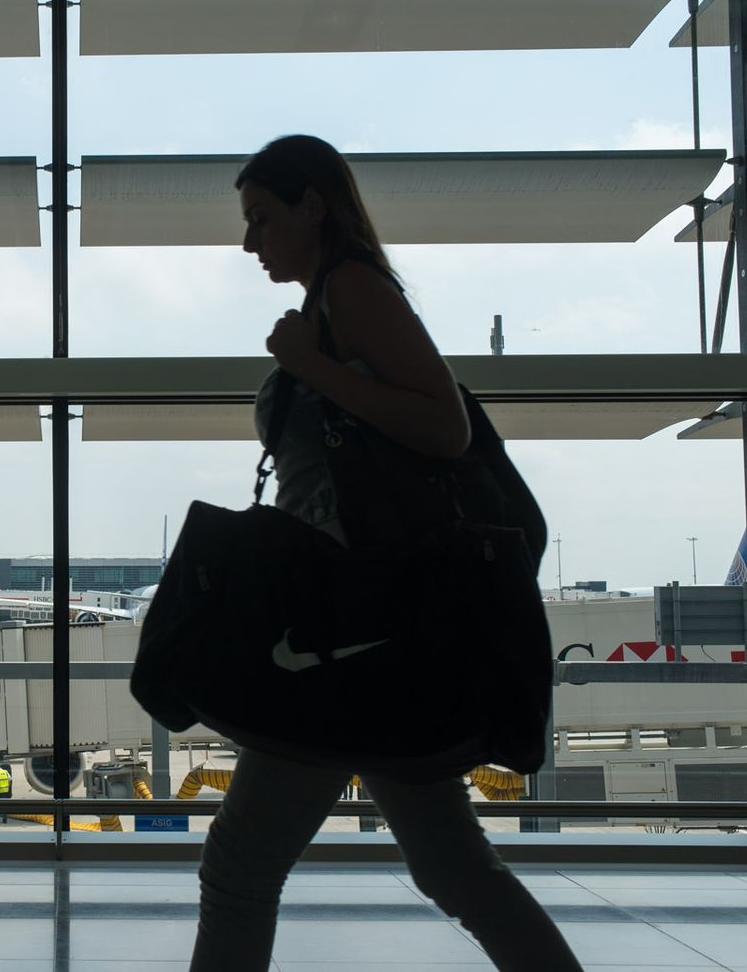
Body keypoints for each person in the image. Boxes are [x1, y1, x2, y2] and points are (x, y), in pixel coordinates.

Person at [189, 135, 583, 972]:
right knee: (453, 867)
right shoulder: (333, 302)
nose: (249, 241)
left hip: (349, 638)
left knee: (239, 866)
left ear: (313, 207)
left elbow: (446, 427)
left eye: (261, 217)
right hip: (374, 634)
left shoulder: (353, 291)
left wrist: (308, 365)